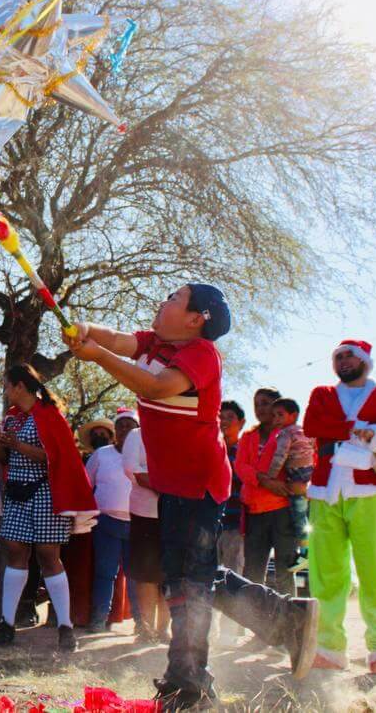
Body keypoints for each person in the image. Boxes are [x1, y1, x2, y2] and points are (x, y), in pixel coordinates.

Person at [65, 284, 319, 710]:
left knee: (187, 581)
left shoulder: (201, 354)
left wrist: (99, 356)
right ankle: (283, 619)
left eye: (173, 298)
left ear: (195, 318)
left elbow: (156, 386)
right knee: (190, 576)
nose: (162, 301)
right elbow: (116, 339)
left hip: (198, 483)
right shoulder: (154, 342)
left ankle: (190, 684)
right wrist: (85, 329)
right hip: (174, 484)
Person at [303, 339, 376, 676]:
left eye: (350, 355)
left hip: (370, 493)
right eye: (338, 356)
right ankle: (328, 648)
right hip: (325, 491)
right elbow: (312, 427)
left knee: (374, 571)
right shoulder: (322, 394)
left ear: (366, 360)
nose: (344, 360)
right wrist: (357, 430)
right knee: (326, 574)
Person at [0, 364, 95, 653]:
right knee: (15, 550)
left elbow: (53, 456)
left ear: (20, 386)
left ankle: (65, 627)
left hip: (46, 492)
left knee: (48, 555)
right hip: (17, 492)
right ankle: (6, 624)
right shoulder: (11, 419)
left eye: (7, 386)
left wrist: (16, 444)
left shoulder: (49, 415)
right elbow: (2, 458)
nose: (6, 392)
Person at [234, 390, 299, 597]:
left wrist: (278, 484)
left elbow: (301, 464)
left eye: (266, 403)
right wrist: (265, 481)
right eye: (257, 404)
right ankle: (253, 622)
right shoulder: (248, 436)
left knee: (286, 570)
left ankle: (292, 623)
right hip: (254, 511)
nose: (261, 408)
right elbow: (240, 466)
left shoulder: (291, 434)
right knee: (252, 572)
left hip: (283, 511)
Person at [122, 415, 170, 645]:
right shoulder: (136, 435)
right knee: (146, 573)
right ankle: (146, 629)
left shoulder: (179, 432)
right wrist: (168, 487)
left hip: (175, 514)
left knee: (170, 573)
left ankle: (164, 630)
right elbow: (133, 470)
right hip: (144, 513)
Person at [87, 415, 134, 633]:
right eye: (121, 426)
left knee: (137, 576)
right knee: (105, 572)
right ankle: (98, 621)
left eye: (130, 426)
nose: (125, 430)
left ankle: (143, 626)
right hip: (106, 522)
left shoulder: (146, 453)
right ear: (115, 430)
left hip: (137, 523)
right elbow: (87, 485)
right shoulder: (101, 455)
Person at [265, 399, 314, 568]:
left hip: (297, 478)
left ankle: (305, 556)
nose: (276, 419)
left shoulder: (286, 434)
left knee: (299, 520)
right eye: (274, 416)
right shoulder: (305, 432)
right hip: (309, 478)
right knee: (307, 519)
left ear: (294, 415)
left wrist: (269, 476)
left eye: (280, 415)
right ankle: (308, 553)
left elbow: (280, 456)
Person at [216, 400, 246, 643]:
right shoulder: (211, 447)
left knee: (233, 576)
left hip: (237, 523)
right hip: (210, 523)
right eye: (220, 416)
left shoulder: (245, 450)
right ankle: (205, 631)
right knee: (206, 576)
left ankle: (229, 632)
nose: (224, 420)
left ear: (241, 422)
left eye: (230, 416)